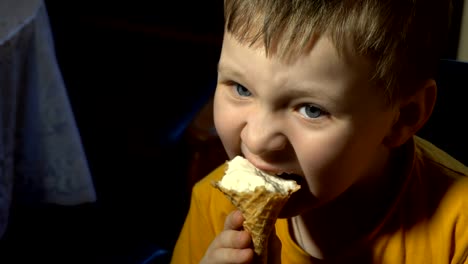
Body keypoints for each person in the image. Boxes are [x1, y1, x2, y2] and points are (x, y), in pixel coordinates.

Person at [171, 0, 468, 263]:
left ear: (402, 117)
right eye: (241, 88)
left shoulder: (460, 231)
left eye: (311, 110)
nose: (257, 140)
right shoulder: (213, 207)